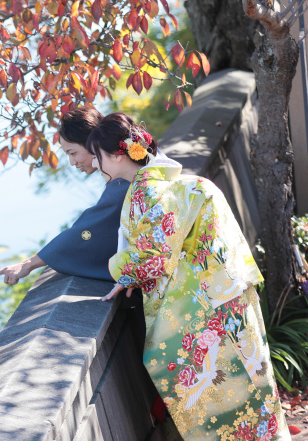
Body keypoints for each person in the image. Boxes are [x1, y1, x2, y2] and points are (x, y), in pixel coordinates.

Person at [90, 113, 290, 440]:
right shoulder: (174, 180)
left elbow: (152, 257)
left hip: (207, 308)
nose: (97, 167)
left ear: (115, 154)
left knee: (227, 400)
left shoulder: (146, 189)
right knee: (255, 384)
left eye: (97, 156)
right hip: (230, 294)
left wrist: (120, 271)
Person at [0, 105, 131, 285]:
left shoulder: (122, 185)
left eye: (73, 153)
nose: (72, 162)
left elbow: (88, 232)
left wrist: (29, 264)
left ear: (94, 144)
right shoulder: (136, 166)